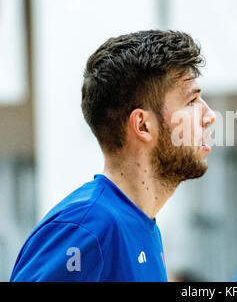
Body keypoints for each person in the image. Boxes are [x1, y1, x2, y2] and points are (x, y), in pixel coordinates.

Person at [10, 30, 216, 282]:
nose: (209, 116)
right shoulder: (87, 227)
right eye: (192, 101)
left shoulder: (140, 226)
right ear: (142, 125)